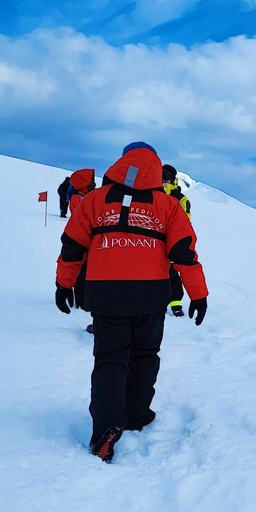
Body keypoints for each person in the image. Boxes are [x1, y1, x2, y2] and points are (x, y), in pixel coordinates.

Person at [54, 142, 209, 463]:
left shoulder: (94, 200)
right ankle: (136, 414)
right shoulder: (168, 206)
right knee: (145, 354)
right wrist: (198, 294)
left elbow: (72, 246)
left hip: (104, 293)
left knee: (110, 358)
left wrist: (63, 284)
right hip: (151, 294)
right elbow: (184, 253)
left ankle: (106, 426)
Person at [66, 169, 97, 330]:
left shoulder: (82, 197)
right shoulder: (79, 198)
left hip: (86, 241)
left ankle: (84, 299)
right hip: (83, 241)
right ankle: (82, 301)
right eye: (91, 181)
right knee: (82, 271)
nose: (94, 183)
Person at [161, 164, 192, 317]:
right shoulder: (150, 194)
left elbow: (185, 222)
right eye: (162, 175)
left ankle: (176, 304)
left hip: (171, 242)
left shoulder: (180, 199)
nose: (164, 179)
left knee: (173, 275)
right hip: (152, 244)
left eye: (167, 176)